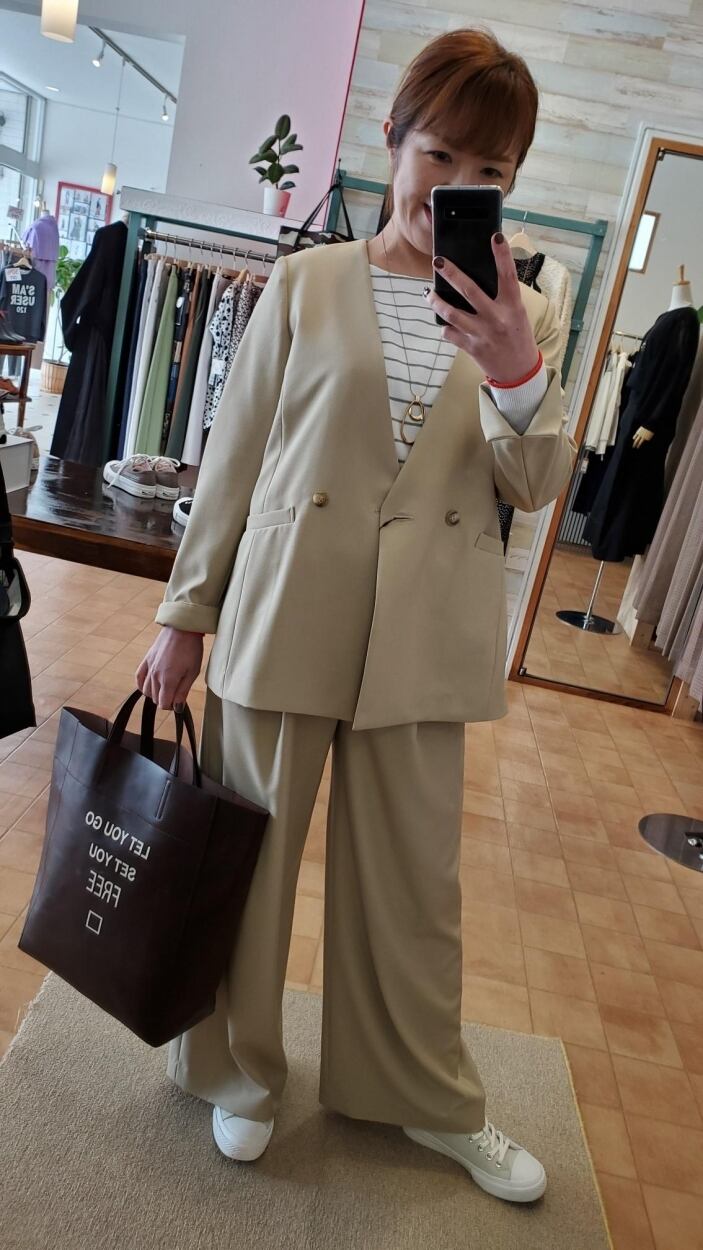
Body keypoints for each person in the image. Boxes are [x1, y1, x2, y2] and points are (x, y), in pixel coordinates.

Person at [137, 28, 575, 1204]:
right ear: (392, 140)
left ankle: (425, 1095)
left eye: (490, 169)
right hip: (286, 610)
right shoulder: (306, 282)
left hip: (425, 635)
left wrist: (514, 367)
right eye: (441, 153)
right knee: (248, 864)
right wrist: (185, 613)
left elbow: (533, 483)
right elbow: (233, 460)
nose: (457, 184)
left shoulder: (525, 312)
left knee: (413, 890)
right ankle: (236, 1073)